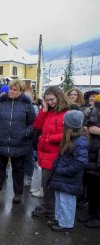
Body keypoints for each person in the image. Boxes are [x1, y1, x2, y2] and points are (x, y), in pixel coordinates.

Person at [0, 79, 36, 203]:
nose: (11, 91)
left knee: (18, 170)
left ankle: (18, 193)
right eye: (10, 89)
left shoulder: (27, 104)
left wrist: (25, 133)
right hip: (0, 141)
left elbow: (33, 124)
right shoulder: (0, 102)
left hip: (19, 143)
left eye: (15, 90)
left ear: (21, 91)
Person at [31, 86, 70, 217]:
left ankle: (49, 209)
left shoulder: (66, 113)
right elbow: (37, 126)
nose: (50, 102)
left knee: (48, 183)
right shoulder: (49, 111)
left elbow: (67, 134)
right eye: (47, 100)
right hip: (45, 152)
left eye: (52, 99)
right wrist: (44, 110)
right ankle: (49, 207)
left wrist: (48, 138)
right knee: (46, 183)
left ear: (59, 97)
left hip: (55, 153)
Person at [47, 110, 88, 232]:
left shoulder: (80, 141)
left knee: (67, 202)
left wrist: (64, 170)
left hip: (68, 178)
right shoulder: (72, 138)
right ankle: (60, 219)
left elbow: (81, 162)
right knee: (60, 200)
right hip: (63, 177)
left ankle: (66, 224)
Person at [79, 94, 100, 228]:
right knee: (93, 189)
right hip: (93, 153)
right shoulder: (94, 110)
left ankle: (97, 217)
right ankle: (92, 215)